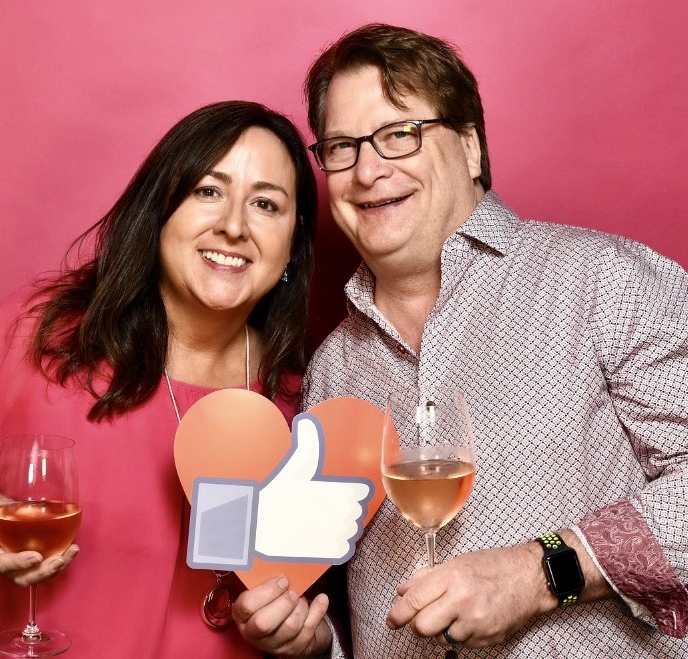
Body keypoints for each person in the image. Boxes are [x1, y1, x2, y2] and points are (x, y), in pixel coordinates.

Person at [232, 23, 688, 658]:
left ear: (471, 148)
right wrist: (314, 646)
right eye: (342, 147)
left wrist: (541, 571)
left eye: (400, 134)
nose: (368, 170)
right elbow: (345, 604)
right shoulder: (331, 370)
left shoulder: (604, 280)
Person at [0, 99, 318, 658]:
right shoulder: (44, 330)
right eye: (208, 191)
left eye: (266, 204)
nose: (233, 226)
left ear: (293, 244)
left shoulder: (295, 397)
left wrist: (302, 636)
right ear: (160, 210)